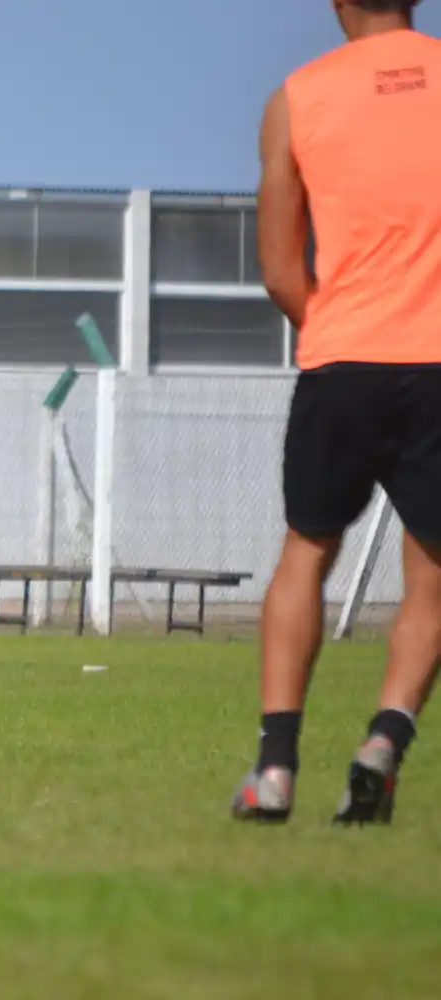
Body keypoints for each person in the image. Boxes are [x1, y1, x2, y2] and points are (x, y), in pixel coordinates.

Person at [232, 0, 441, 826]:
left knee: (306, 553)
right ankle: (382, 744)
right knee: (432, 571)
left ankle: (275, 768)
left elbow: (282, 267)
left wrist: (336, 333)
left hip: (342, 355)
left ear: (337, 2)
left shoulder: (296, 97)